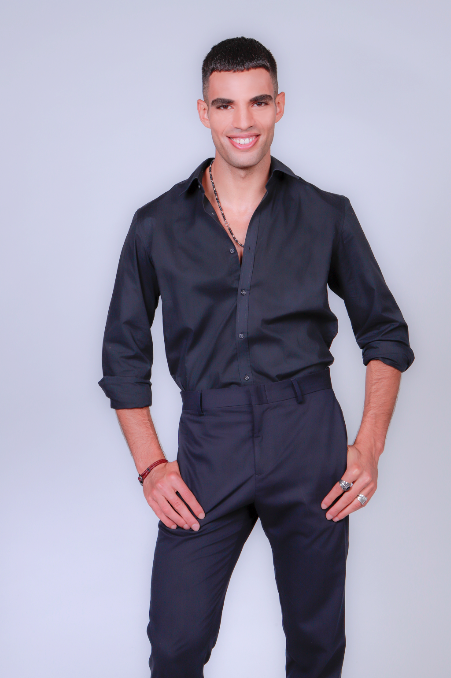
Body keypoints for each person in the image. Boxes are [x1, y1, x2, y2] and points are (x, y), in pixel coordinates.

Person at [99, 36, 414, 678]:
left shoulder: (327, 215)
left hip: (307, 437)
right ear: (203, 112)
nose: (243, 121)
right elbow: (123, 359)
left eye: (258, 102)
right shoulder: (156, 225)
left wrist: (369, 446)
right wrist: (151, 466)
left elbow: (385, 333)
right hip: (210, 442)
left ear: (279, 106)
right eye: (225, 105)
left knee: (316, 644)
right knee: (176, 643)